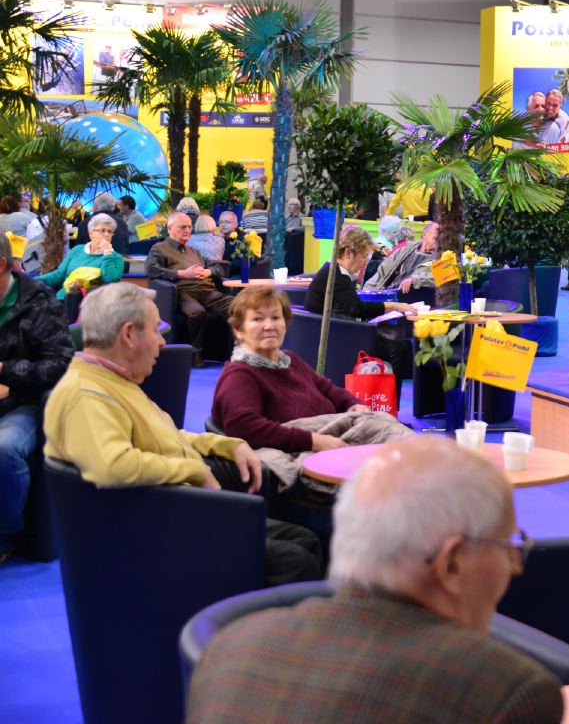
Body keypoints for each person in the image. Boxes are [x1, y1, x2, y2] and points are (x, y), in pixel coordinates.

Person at [185, 437, 563, 724]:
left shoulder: (229, 650)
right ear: (451, 563)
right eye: (508, 546)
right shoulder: (505, 690)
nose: (514, 566)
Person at [43, 284, 321, 585]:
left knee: (305, 540)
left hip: (175, 512)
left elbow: (167, 435)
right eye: (156, 330)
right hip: (160, 533)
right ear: (129, 334)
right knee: (298, 559)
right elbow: (112, 465)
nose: (162, 341)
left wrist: (228, 445)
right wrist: (193, 470)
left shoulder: (112, 381)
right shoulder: (85, 395)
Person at [212, 285, 372, 454]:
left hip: (334, 436)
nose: (269, 326)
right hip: (300, 453)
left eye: (276, 317)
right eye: (258, 319)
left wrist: (353, 403)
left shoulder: (290, 360)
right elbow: (243, 427)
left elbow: (327, 388)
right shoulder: (239, 375)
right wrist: (313, 441)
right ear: (238, 330)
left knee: (380, 426)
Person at [0, 239, 73, 561]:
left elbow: (61, 364)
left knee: (4, 450)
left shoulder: (39, 301)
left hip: (26, 403)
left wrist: (6, 373)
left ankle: (6, 536)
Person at [305, 228, 416, 378]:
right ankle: (386, 392)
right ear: (348, 253)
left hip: (332, 330)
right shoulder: (337, 275)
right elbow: (356, 308)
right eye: (363, 256)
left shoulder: (333, 270)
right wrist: (394, 306)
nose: (364, 262)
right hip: (338, 337)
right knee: (397, 346)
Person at [146, 212, 236, 366]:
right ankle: (196, 352)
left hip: (207, 291)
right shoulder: (159, 248)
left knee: (238, 306)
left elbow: (218, 268)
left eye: (189, 227)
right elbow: (151, 270)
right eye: (183, 227)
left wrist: (207, 272)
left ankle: (237, 350)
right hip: (182, 292)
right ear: (170, 228)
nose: (187, 230)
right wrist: (182, 274)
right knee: (197, 312)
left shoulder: (193, 251)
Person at [37, 213, 125, 301]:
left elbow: (110, 280)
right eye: (102, 230)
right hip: (63, 299)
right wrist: (33, 281)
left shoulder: (116, 258)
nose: (106, 234)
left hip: (91, 303)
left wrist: (107, 253)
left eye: (109, 231)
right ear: (91, 233)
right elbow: (59, 275)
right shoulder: (77, 250)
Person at [364, 220, 438, 295]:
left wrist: (415, 280)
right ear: (425, 234)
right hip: (386, 294)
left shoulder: (441, 257)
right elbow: (381, 273)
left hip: (409, 298)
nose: (440, 239)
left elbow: (441, 276)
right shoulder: (404, 250)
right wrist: (366, 292)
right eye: (436, 236)